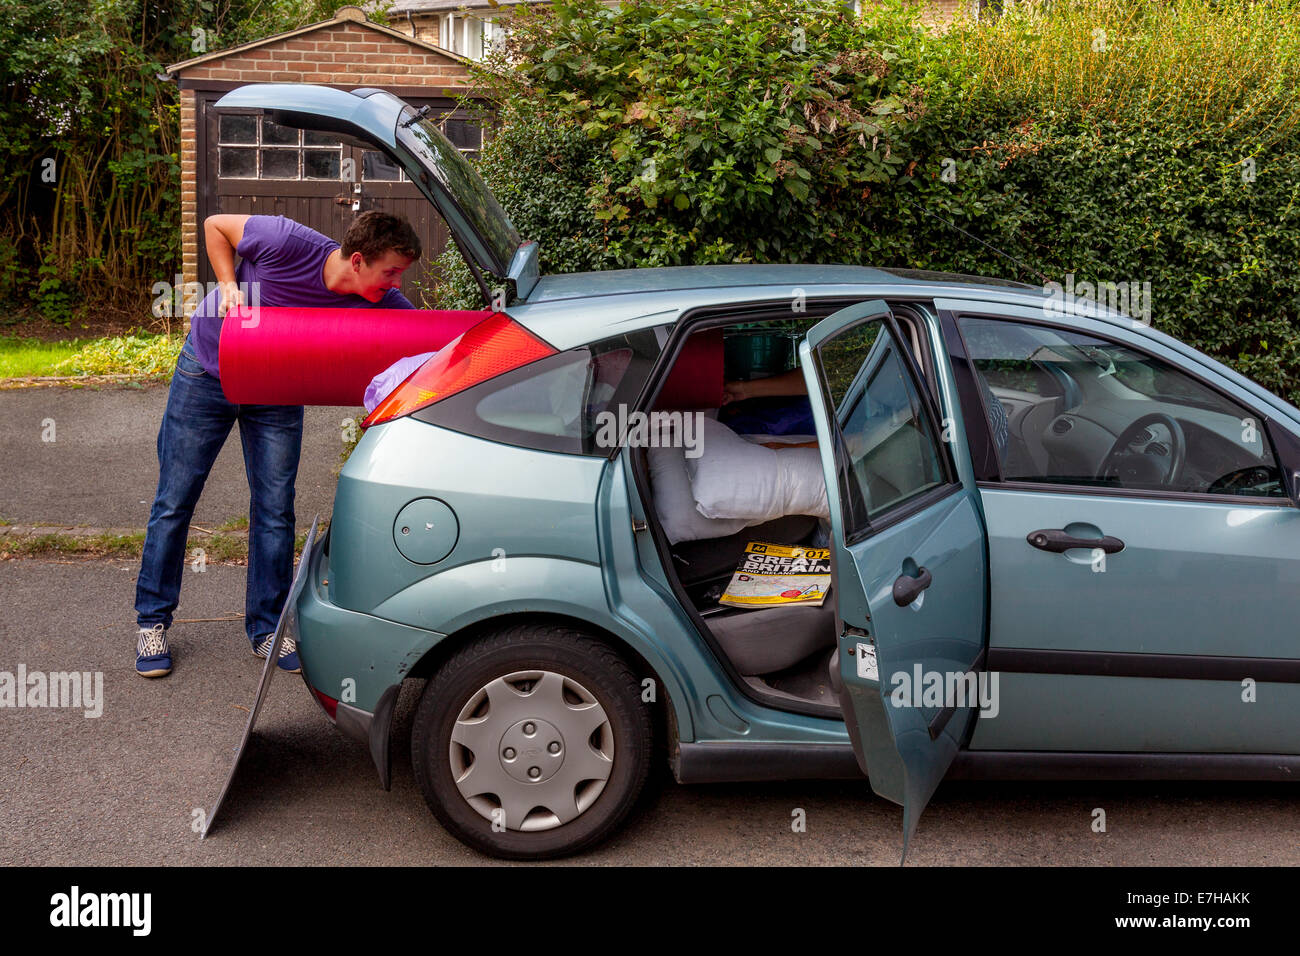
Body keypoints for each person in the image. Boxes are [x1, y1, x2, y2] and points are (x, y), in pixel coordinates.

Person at [133, 211, 421, 678]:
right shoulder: (285, 241)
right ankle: (152, 621)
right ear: (359, 260)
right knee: (175, 500)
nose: (395, 283)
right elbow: (214, 226)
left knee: (274, 509)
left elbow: (428, 336)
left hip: (277, 389)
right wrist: (227, 284)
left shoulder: (380, 298)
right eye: (390, 271)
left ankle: (267, 627)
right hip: (209, 371)